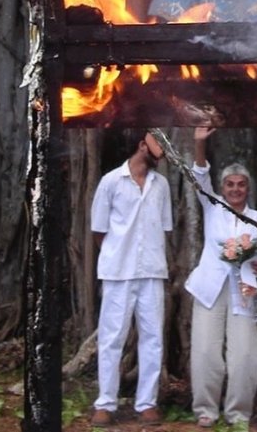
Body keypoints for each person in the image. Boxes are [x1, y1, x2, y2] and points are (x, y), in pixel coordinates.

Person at [185, 127, 257, 430]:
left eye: (241, 185)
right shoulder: (213, 208)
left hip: (244, 290)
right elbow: (199, 177)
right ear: (222, 188)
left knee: (246, 355)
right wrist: (199, 143)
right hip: (210, 287)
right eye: (230, 184)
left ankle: (238, 414)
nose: (235, 189)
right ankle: (206, 410)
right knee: (206, 351)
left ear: (248, 188)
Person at [89, 132, 174, 426]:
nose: (161, 152)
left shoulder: (161, 185)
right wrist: (117, 255)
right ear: (142, 145)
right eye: (157, 145)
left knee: (152, 338)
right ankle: (105, 403)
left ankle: (147, 403)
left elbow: (164, 226)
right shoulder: (111, 182)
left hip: (152, 271)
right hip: (117, 273)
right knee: (112, 337)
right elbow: (99, 230)